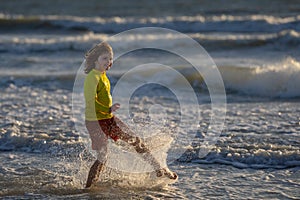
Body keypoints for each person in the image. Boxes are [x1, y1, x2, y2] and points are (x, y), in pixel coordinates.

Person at [83, 42, 177, 188]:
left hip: (108, 119)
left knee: (135, 140)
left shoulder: (103, 76)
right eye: (104, 58)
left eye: (110, 59)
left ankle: (159, 169)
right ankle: (88, 189)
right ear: (95, 60)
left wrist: (108, 111)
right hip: (95, 121)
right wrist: (108, 109)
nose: (109, 62)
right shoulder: (92, 77)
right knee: (103, 157)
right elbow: (90, 101)